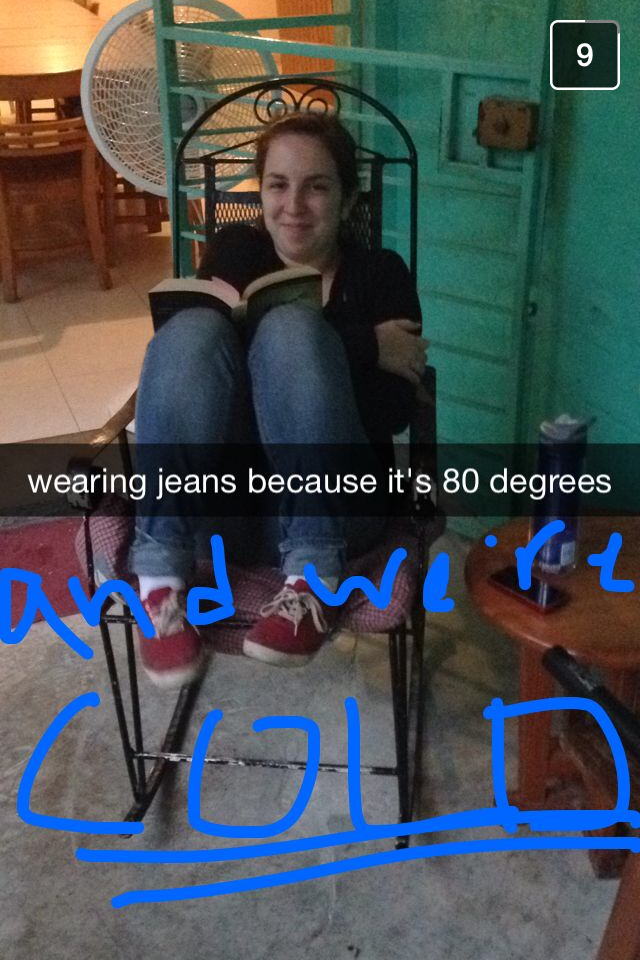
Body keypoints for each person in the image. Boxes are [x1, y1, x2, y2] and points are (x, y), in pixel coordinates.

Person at [130, 110, 428, 688]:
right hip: (227, 517)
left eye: (317, 187)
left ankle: (312, 583)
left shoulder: (381, 273)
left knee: (291, 329)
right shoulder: (237, 249)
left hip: (341, 515)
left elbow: (393, 411)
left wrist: (305, 359)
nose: (294, 206)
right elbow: (193, 378)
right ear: (261, 192)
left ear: (347, 200)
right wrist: (366, 346)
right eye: (278, 184)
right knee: (193, 330)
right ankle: (159, 584)